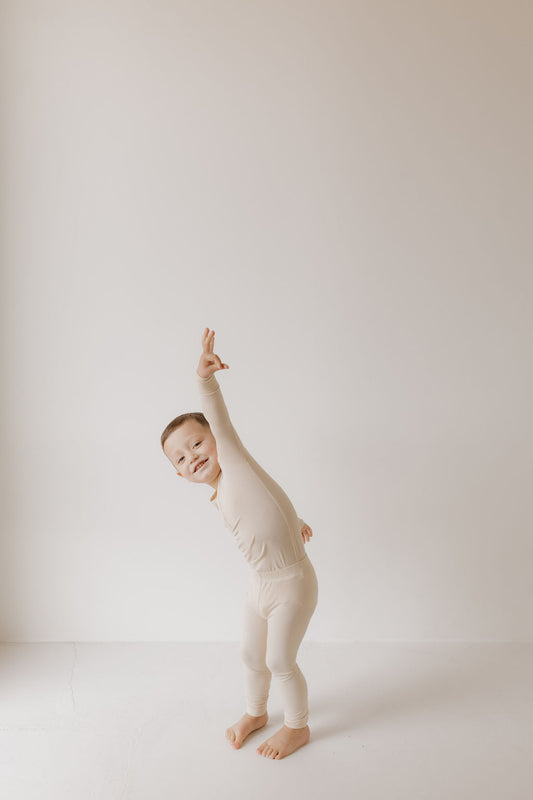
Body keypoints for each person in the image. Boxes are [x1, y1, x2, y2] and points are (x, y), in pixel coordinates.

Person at [161, 328, 318, 760]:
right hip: (259, 584)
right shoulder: (219, 490)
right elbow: (263, 506)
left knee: (280, 661)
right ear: (180, 474)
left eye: (197, 442)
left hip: (291, 583)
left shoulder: (233, 462)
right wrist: (293, 519)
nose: (192, 455)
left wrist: (205, 381)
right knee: (251, 655)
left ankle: (297, 727)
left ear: (215, 439)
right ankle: (256, 712)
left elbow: (221, 423)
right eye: (180, 457)